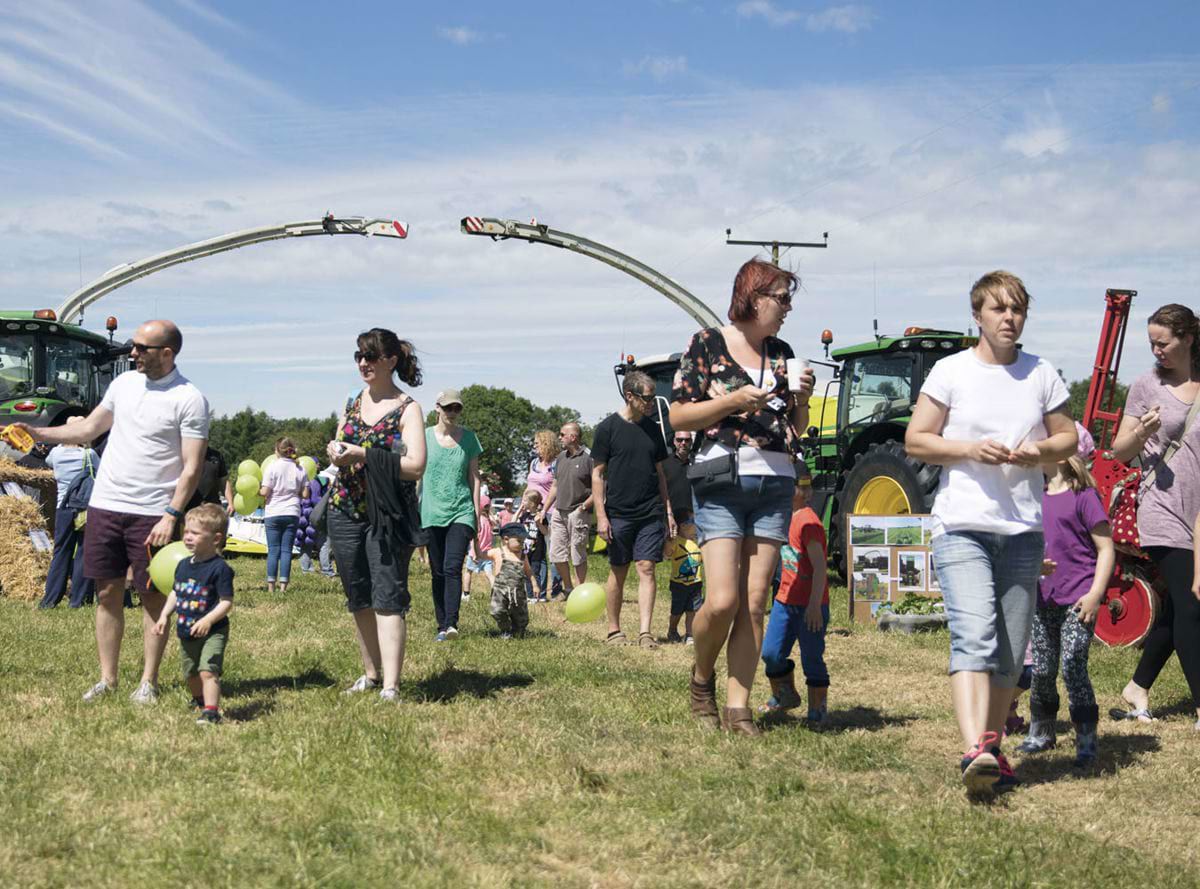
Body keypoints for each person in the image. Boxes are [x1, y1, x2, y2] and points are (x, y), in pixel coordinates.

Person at [905, 270, 1076, 795]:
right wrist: (969, 449)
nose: (1009, 318)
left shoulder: (1041, 373)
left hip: (1023, 529)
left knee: (1009, 650)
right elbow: (916, 440)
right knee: (975, 635)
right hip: (962, 525)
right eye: (999, 309)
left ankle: (992, 749)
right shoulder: (950, 371)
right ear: (977, 315)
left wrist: (1039, 451)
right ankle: (973, 748)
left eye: (1017, 309)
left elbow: (1067, 438)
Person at [16, 319, 209, 704]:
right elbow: (88, 429)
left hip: (152, 511)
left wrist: (172, 513)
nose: (132, 353)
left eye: (141, 347)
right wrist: (38, 433)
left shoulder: (189, 399)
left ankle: (148, 683)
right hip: (105, 504)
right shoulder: (122, 385)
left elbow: (192, 466)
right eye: (132, 345)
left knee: (151, 597)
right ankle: (108, 679)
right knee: (106, 594)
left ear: (167, 353)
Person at [670, 259, 815, 736]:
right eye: (782, 297)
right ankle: (701, 676)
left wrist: (801, 399)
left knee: (755, 603)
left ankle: (739, 708)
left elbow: (796, 429)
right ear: (753, 297)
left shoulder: (783, 352)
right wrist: (733, 401)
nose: (788, 307)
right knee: (722, 600)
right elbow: (679, 417)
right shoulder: (707, 342)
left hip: (774, 480)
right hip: (721, 479)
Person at [1109, 304, 1200, 726]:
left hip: (1198, 510)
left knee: (1178, 609)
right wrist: (1142, 432)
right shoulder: (1147, 385)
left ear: (1188, 338)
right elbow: (1119, 450)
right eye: (1152, 344)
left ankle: (1138, 686)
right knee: (1192, 601)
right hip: (1161, 508)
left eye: (1163, 342)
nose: (1156, 350)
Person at [327, 328, 427, 702]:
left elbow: (416, 465)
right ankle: (370, 674)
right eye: (358, 356)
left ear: (391, 361)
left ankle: (391, 685)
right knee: (359, 596)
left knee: (387, 597)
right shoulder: (353, 400)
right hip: (344, 509)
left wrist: (363, 454)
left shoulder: (408, 408)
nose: (363, 363)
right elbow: (340, 445)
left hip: (386, 515)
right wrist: (336, 452)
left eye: (370, 356)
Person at [1017, 445, 1114, 766]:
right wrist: (1034, 567)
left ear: (1059, 456)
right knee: (1042, 670)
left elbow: (1106, 549)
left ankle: (1086, 739)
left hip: (1078, 601)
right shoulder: (1034, 497)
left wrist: (1096, 593)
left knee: (1073, 666)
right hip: (1043, 601)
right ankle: (1041, 732)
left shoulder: (1084, 496)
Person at [593, 370, 675, 649]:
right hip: (618, 512)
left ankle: (645, 633)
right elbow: (597, 474)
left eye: (653, 398)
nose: (652, 403)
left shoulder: (654, 429)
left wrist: (668, 512)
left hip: (650, 511)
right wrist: (601, 517)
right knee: (619, 570)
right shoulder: (607, 429)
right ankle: (614, 630)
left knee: (647, 567)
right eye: (647, 398)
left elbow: (661, 474)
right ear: (630, 396)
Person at [152, 503, 235, 725]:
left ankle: (211, 711)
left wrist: (208, 620)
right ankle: (199, 700)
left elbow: (226, 602)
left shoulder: (220, 569)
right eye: (186, 531)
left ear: (216, 539)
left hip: (213, 631)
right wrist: (164, 616)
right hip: (186, 630)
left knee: (208, 670)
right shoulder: (182, 565)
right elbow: (176, 593)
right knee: (191, 673)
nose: (187, 537)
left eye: (195, 533)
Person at [759, 467, 830, 723]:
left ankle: (818, 709)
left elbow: (821, 567)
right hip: (784, 601)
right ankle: (785, 694)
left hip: (810, 605)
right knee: (771, 653)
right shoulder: (783, 516)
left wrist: (814, 605)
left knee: (812, 657)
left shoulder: (808, 521)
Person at [420, 389, 483, 641]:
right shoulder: (422, 437)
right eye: (448, 408)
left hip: (461, 511)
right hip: (431, 512)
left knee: (452, 567)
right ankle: (441, 625)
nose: (453, 413)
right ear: (437, 408)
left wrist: (476, 514)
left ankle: (451, 624)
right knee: (437, 571)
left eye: (457, 408)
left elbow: (474, 479)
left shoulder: (469, 439)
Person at [40, 417, 98, 608]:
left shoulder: (56, 454)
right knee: (84, 551)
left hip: (63, 507)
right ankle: (79, 599)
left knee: (61, 551)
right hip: (85, 509)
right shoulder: (89, 454)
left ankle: (50, 599)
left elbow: (48, 462)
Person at [540, 422, 594, 598]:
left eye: (563, 434)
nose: (560, 437)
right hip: (559, 511)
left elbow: (600, 488)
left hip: (578, 512)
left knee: (577, 553)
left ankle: (579, 590)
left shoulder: (589, 457)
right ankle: (569, 588)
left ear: (573, 437)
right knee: (556, 554)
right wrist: (544, 509)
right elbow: (555, 485)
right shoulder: (561, 458)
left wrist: (583, 507)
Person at [260, 437, 307, 593]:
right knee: (286, 550)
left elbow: (265, 492)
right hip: (292, 512)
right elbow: (305, 494)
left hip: (273, 512)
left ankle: (271, 587)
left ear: (277, 450)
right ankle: (283, 588)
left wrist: (257, 492)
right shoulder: (300, 469)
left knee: (273, 550)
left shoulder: (272, 467)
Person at [489, 522, 541, 638]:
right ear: (506, 539)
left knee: (520, 617)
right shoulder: (498, 552)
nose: (522, 545)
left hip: (518, 593)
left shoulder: (522, 555)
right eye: (519, 541)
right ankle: (505, 629)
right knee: (497, 611)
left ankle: (518, 630)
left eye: (523, 542)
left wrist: (534, 584)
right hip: (500, 592)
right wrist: (475, 546)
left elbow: (528, 571)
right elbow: (482, 555)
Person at [666, 521, 703, 645]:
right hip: (678, 584)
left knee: (693, 610)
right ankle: (672, 630)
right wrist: (670, 540)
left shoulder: (698, 541)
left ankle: (690, 634)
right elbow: (667, 553)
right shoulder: (676, 541)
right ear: (683, 525)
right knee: (677, 611)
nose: (696, 524)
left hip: (696, 582)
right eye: (693, 521)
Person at [514, 489, 550, 602]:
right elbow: (512, 521)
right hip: (526, 550)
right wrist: (519, 509)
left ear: (532, 503)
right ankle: (529, 596)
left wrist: (539, 523)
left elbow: (546, 532)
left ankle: (538, 595)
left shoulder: (540, 516)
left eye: (525, 500)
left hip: (537, 550)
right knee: (527, 572)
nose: (522, 502)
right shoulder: (524, 516)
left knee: (535, 572)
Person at [463, 495, 496, 599]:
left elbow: (474, 538)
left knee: (468, 572)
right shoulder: (489, 520)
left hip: (475, 552)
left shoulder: (478, 521)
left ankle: (466, 594)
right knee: (490, 574)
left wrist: (473, 553)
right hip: (487, 553)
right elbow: (495, 523)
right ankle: (496, 593)